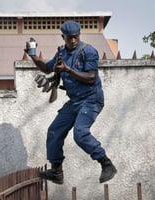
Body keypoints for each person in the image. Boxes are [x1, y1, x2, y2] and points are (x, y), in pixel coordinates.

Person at [24, 20, 117, 184]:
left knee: (80, 133)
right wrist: (32, 55)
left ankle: (106, 164)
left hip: (91, 99)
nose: (73, 41)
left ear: (79, 35)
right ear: (63, 37)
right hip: (74, 101)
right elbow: (47, 68)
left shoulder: (88, 51)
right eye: (69, 38)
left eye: (75, 37)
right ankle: (56, 172)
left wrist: (68, 69)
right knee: (54, 131)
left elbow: (91, 77)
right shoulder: (61, 53)